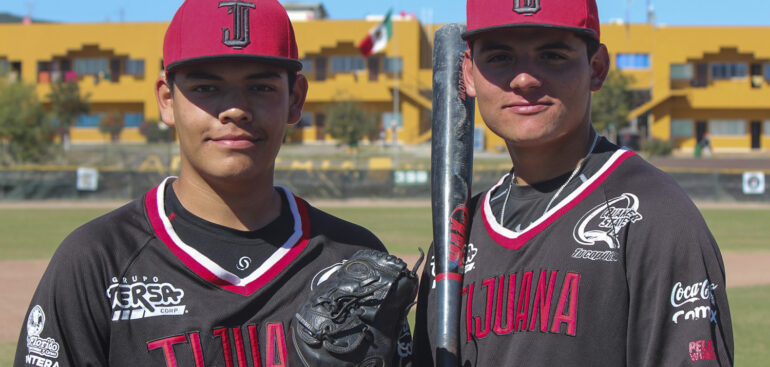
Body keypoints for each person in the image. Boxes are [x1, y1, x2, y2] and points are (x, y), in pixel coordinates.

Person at [14, 1, 412, 366]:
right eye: (206, 88)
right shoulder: (97, 260)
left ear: (295, 99)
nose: (235, 109)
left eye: (260, 87)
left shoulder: (353, 260)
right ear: (167, 100)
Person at [413, 0, 734, 365]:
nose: (524, 79)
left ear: (596, 68)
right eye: (500, 58)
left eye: (552, 55)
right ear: (468, 75)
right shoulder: (458, 231)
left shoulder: (654, 214)